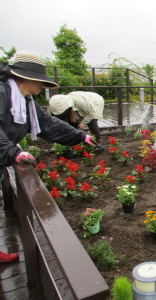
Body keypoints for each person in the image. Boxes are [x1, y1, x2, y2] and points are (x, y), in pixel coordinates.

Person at [0, 53, 97, 262]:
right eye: (40, 80)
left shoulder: (25, 102)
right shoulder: (2, 94)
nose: (43, 86)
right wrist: (13, 152)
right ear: (26, 78)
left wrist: (80, 136)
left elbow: (48, 124)